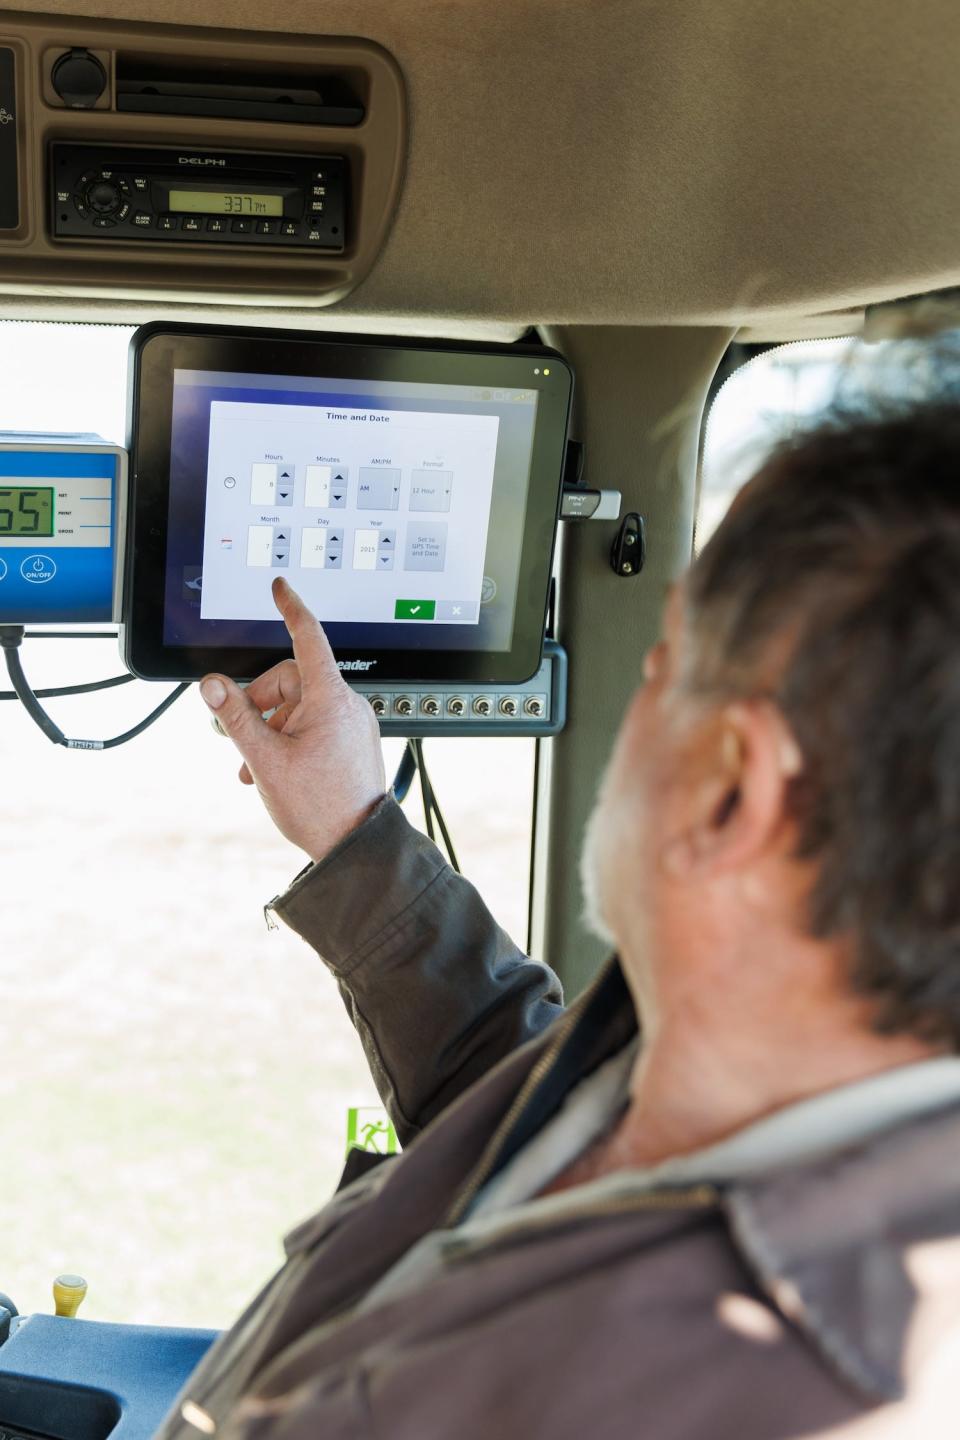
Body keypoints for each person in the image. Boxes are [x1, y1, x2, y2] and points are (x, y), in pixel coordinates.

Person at [170, 395, 960, 1439]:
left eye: (661, 666)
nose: (641, 689)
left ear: (730, 791)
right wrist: (355, 830)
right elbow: (512, 1086)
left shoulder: (701, 1391)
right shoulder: (698, 1059)